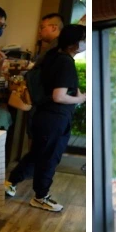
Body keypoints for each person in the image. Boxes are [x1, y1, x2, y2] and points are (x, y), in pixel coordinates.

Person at [6, 24, 86, 212]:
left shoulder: (51, 57)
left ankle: (11, 181)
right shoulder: (66, 62)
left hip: (43, 115)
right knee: (49, 157)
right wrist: (80, 98)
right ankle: (41, 196)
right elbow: (59, 96)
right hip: (55, 118)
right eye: (83, 40)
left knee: (37, 154)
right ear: (74, 43)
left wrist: (76, 93)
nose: (84, 44)